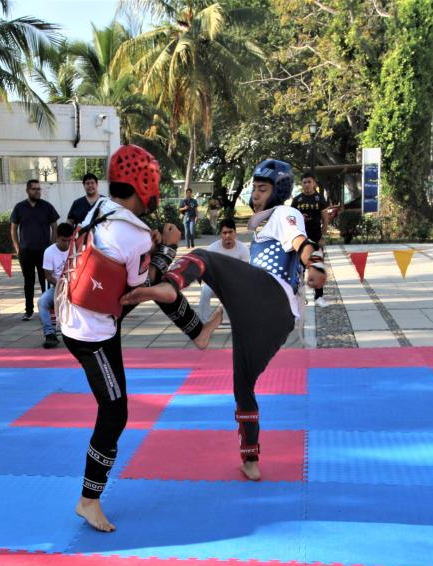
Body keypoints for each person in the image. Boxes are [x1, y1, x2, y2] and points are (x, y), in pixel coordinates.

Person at [123, 159, 327, 483]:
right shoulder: (262, 225)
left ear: (279, 192)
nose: (256, 194)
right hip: (273, 320)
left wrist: (316, 265)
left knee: (202, 256)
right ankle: (251, 459)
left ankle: (168, 285)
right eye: (255, 188)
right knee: (243, 387)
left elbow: (302, 242)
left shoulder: (285, 215)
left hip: (270, 294)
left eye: (263, 189)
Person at [57, 144, 188, 533]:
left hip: (82, 312)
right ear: (143, 184)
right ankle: (88, 500)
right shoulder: (133, 235)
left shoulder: (98, 208)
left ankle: (89, 497)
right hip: (88, 332)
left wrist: (152, 245)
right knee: (115, 412)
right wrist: (167, 249)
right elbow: (137, 290)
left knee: (115, 406)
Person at [11, 180, 59, 320]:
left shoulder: (47, 207)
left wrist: (51, 246)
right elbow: (13, 228)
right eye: (34, 189)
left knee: (46, 282)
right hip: (25, 252)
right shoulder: (19, 207)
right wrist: (17, 247)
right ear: (28, 190)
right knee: (29, 282)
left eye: (39, 189)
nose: (37, 191)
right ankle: (29, 311)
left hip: (44, 253)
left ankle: (48, 310)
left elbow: (55, 227)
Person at [290, 172, 333, 307]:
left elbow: (325, 220)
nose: (307, 184)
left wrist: (323, 237)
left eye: (309, 182)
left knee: (316, 266)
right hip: (301, 241)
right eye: (304, 182)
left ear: (314, 183)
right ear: (301, 184)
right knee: (299, 269)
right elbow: (291, 220)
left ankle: (319, 297)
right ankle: (298, 297)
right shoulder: (297, 200)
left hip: (315, 239)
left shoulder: (319, 199)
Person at [198, 218, 249, 321]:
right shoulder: (212, 248)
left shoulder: (243, 248)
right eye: (224, 233)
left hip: (236, 283)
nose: (227, 236)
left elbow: (245, 273)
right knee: (205, 292)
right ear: (220, 234)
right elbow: (208, 272)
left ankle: (239, 321)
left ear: (235, 233)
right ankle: (203, 323)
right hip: (216, 283)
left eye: (230, 232)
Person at [38, 223, 75, 349]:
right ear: (57, 238)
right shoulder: (49, 252)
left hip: (76, 286)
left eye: (69, 240)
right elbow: (48, 276)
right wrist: (62, 285)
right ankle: (50, 334)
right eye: (63, 240)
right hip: (58, 287)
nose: (66, 244)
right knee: (42, 302)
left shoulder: (76, 248)